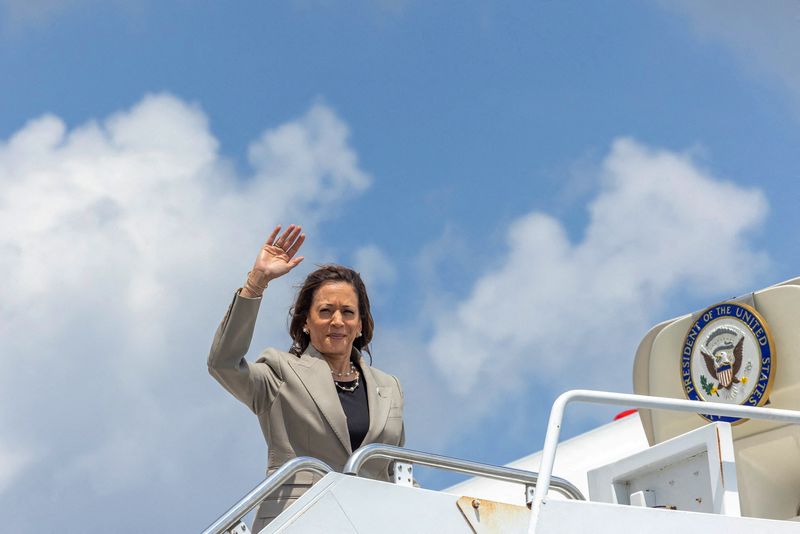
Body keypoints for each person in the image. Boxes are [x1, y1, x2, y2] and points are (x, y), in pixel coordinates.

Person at [208, 224, 405, 530]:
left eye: (348, 312)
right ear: (305, 323)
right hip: (300, 522)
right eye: (325, 311)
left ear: (361, 325)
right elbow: (224, 363)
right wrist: (256, 283)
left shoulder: (388, 387)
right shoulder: (279, 372)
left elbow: (395, 471)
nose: (337, 321)